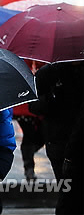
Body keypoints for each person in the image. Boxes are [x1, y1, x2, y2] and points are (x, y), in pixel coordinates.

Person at [29, 62, 84, 214]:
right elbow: (33, 105)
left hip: (77, 140)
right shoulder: (48, 74)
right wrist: (52, 97)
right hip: (59, 143)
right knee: (68, 192)